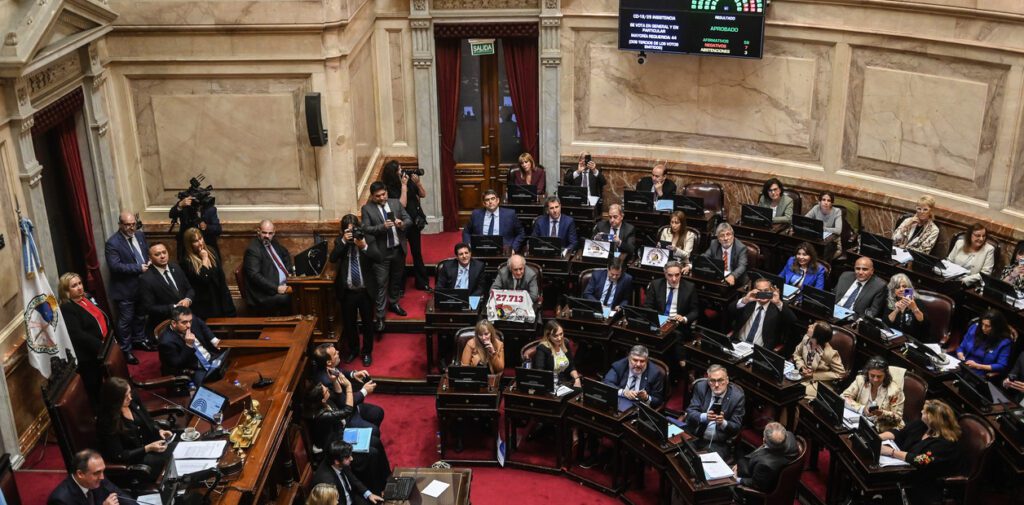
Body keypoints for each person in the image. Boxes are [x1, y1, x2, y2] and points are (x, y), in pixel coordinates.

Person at [879, 400, 963, 505]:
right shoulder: (921, 425)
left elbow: (920, 460)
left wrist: (891, 452)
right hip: (907, 470)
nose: (921, 411)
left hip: (925, 483)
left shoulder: (945, 444)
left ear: (933, 419)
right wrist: (878, 438)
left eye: (924, 411)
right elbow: (901, 433)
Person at [96, 378, 172, 481]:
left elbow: (148, 420)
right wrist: (148, 448)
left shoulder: (132, 400)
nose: (130, 397)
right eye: (125, 396)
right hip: (136, 461)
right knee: (170, 462)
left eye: (129, 393)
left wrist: (159, 430)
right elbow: (119, 455)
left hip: (152, 447)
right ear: (114, 400)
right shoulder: (107, 421)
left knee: (176, 450)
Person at [330, 215, 381, 366]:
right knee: (349, 324)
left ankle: (367, 352)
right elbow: (333, 258)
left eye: (354, 230)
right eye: (348, 231)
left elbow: (379, 257)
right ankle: (354, 350)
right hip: (348, 292)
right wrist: (344, 241)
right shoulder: (340, 241)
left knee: (367, 324)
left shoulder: (368, 239)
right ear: (343, 231)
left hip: (365, 291)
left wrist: (364, 246)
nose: (352, 234)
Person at [362, 181, 412, 323]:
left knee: (396, 280)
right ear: (372, 196)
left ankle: (394, 303)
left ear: (387, 192)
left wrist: (402, 224)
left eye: (383, 194)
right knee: (381, 283)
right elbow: (365, 228)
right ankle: (380, 316)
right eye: (378, 196)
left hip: (398, 250)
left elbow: (409, 219)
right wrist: (382, 227)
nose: (382, 198)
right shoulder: (367, 209)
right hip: (381, 253)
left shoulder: (395, 203)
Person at [104, 211, 150, 363]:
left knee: (141, 316)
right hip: (125, 289)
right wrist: (138, 268)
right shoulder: (112, 243)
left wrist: (149, 262)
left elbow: (145, 254)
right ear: (120, 225)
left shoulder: (140, 236)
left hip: (142, 286)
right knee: (126, 321)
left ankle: (140, 340)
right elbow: (115, 266)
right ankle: (126, 350)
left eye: (133, 224)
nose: (131, 228)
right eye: (127, 225)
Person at [58, 272, 108, 401]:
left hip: (102, 348)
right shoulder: (67, 308)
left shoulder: (86, 299)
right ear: (66, 290)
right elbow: (78, 335)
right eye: (74, 286)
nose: (79, 287)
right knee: (96, 390)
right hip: (89, 357)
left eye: (80, 283)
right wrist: (101, 346)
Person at [311, 343, 385, 430]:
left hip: (352, 406)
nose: (338, 352)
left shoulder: (328, 367)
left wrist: (353, 374)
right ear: (328, 362)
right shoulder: (326, 382)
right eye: (335, 353)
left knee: (378, 413)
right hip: (346, 416)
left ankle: (369, 435)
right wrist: (364, 391)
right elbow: (345, 403)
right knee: (374, 430)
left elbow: (339, 371)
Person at [381, 160, 429, 291]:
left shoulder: (408, 181)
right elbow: (401, 205)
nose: (402, 171)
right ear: (393, 173)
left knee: (417, 252)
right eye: (399, 169)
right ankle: (400, 286)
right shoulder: (389, 188)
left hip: (414, 222)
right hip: (400, 224)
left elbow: (423, 194)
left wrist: (418, 183)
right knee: (400, 255)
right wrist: (403, 186)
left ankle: (422, 282)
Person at [643, 261, 698, 370]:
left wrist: (684, 318)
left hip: (679, 325)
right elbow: (647, 307)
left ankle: (674, 367)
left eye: (677, 275)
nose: (674, 279)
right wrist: (660, 318)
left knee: (675, 334)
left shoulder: (690, 287)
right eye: (670, 275)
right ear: (665, 274)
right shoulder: (656, 284)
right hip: (659, 321)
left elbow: (695, 311)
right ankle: (680, 362)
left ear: (681, 273)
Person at [684, 365, 744, 459]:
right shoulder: (701, 387)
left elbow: (736, 427)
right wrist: (704, 416)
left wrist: (723, 422)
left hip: (718, 442)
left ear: (727, 380)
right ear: (708, 381)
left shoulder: (737, 397)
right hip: (694, 434)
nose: (716, 385)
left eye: (720, 380)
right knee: (681, 456)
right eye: (712, 381)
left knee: (705, 464)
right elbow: (690, 412)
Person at [138, 242, 194, 338]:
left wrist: (188, 299)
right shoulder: (146, 278)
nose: (162, 256)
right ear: (150, 258)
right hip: (166, 325)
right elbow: (149, 308)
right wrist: (173, 307)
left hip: (187, 319)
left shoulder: (176, 267)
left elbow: (189, 289)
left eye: (164, 252)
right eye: (157, 254)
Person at [180, 227, 236, 320]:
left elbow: (221, 278)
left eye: (200, 238)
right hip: (205, 306)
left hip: (220, 300)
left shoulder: (211, 251)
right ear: (189, 244)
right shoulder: (186, 261)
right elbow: (204, 279)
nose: (200, 243)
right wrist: (205, 259)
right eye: (195, 241)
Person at [727, 278, 797, 351]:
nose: (763, 294)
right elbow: (730, 309)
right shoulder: (748, 302)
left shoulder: (777, 307)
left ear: (772, 291)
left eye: (766, 291)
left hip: (759, 350)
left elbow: (793, 320)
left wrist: (778, 302)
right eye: (759, 291)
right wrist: (745, 300)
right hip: (738, 343)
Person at [157, 306, 223, 383]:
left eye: (190, 321)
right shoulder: (166, 342)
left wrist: (214, 340)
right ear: (174, 323)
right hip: (194, 370)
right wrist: (189, 345)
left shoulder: (189, 319)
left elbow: (203, 325)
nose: (189, 325)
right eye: (184, 322)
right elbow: (177, 364)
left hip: (210, 357)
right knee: (211, 386)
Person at [841, 356, 905, 433]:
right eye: (872, 375)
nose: (875, 379)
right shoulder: (860, 380)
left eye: (879, 376)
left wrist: (882, 413)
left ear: (885, 375)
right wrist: (862, 409)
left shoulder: (895, 391)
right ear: (867, 373)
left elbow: (898, 418)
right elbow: (843, 397)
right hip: (862, 420)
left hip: (882, 428)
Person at [242, 220, 293, 315]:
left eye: (270, 233)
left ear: (274, 233)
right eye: (264, 232)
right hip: (264, 294)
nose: (267, 236)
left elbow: (285, 253)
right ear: (258, 231)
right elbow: (254, 276)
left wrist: (289, 272)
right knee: (289, 297)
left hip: (283, 284)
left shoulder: (273, 242)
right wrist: (276, 288)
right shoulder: (253, 250)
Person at [47, 449, 131, 505]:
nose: (102, 477)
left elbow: (119, 494)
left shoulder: (98, 478)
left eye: (103, 471)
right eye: (97, 473)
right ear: (80, 474)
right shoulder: (60, 500)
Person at [311, 441, 385, 504]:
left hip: (351, 496)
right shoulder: (328, 484)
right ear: (336, 461)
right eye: (348, 457)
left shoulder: (338, 461)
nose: (351, 459)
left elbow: (353, 479)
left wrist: (369, 494)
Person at [733, 422, 799, 492]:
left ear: (764, 441)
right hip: (771, 467)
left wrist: (737, 479)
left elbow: (756, 484)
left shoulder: (765, 465)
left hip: (759, 477)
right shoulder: (790, 435)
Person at [792, 321, 846, 400]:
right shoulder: (806, 339)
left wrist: (814, 375)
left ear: (817, 335)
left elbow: (840, 373)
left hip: (817, 384)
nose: (809, 325)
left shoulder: (830, 353)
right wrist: (801, 367)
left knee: (795, 395)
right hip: (801, 377)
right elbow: (797, 354)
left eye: (812, 327)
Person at [955, 310, 1013, 378]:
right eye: (982, 324)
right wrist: (960, 353)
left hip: (980, 373)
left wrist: (978, 366)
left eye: (987, 326)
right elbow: (961, 347)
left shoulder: (1004, 342)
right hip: (963, 365)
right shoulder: (975, 328)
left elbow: (1001, 365)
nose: (983, 328)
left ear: (996, 327)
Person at [604, 345, 664, 410]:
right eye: (635, 360)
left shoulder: (654, 373)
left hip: (640, 408)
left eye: (642, 361)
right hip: (618, 403)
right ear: (629, 359)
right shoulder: (620, 366)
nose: (638, 364)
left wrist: (646, 397)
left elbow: (658, 400)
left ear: (646, 361)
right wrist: (624, 392)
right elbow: (606, 383)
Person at [169, 191, 222, 260]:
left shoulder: (210, 209)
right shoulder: (185, 206)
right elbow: (172, 214)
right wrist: (180, 205)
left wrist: (206, 227)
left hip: (206, 246)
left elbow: (217, 229)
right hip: (187, 248)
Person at [531, 321, 582, 387]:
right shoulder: (542, 348)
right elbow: (540, 372)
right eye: (555, 336)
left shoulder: (565, 343)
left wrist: (577, 379)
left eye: (561, 334)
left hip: (566, 381)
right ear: (548, 336)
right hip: (550, 383)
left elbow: (571, 366)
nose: (559, 338)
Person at [884, 274, 927, 339]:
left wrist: (914, 308)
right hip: (895, 338)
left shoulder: (917, 302)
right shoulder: (891, 301)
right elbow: (885, 323)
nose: (901, 289)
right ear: (893, 290)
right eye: (897, 287)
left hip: (913, 339)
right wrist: (896, 310)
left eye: (904, 286)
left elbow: (924, 324)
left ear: (909, 288)